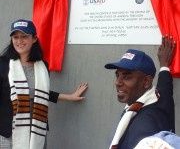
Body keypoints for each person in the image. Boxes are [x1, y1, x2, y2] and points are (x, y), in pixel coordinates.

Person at [0, 19, 88, 149]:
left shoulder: (42, 66)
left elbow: (40, 92)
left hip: (36, 130)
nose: (19, 41)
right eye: (16, 37)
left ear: (34, 38)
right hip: (8, 132)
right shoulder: (3, 65)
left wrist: (70, 96)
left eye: (24, 36)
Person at [104, 35, 176, 149]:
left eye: (126, 77)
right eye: (117, 75)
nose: (118, 82)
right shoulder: (159, 98)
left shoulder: (144, 130)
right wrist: (164, 66)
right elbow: (165, 87)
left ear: (147, 81)